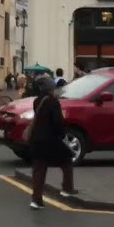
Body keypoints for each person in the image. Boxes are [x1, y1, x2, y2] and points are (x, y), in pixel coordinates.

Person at [27, 75, 76, 209]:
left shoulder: (37, 101)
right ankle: (67, 189)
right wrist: (62, 134)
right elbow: (57, 122)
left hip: (37, 140)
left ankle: (36, 200)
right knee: (67, 162)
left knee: (39, 171)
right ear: (50, 89)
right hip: (51, 140)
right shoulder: (53, 102)